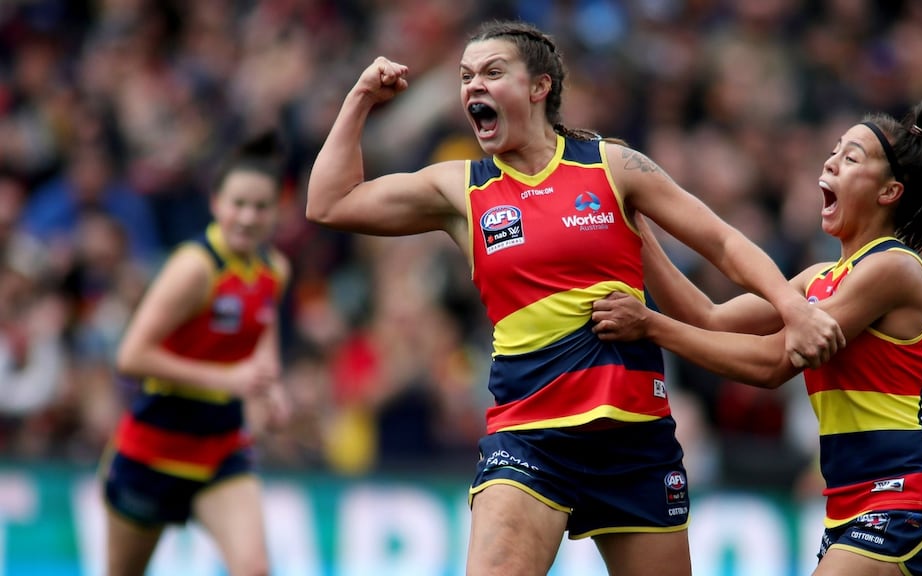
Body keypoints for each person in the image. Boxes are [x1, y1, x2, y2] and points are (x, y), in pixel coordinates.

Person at [306, 19, 843, 576]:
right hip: (529, 439)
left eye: (492, 72)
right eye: (465, 77)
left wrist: (793, 308)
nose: (472, 87)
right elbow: (329, 202)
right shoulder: (460, 187)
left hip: (637, 442)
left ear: (539, 87)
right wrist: (362, 97)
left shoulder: (612, 165)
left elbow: (724, 243)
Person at [592, 98, 922, 575]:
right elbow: (709, 317)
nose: (830, 161)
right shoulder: (818, 278)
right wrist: (633, 217)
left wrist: (650, 325)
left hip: (906, 498)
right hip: (851, 504)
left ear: (889, 191)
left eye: (850, 157)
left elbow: (773, 365)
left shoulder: (893, 268)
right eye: (833, 152)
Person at [99, 131, 292, 576]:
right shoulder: (194, 268)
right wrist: (227, 379)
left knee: (254, 568)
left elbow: (261, 332)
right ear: (215, 204)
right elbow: (130, 356)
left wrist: (271, 387)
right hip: (152, 447)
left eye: (260, 207)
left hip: (220, 446)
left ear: (276, 212)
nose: (247, 217)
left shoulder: (274, 270)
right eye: (237, 204)